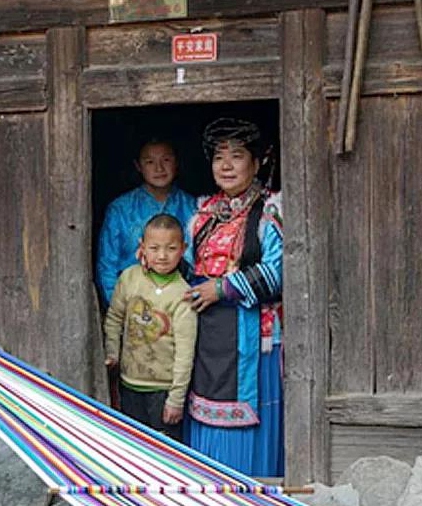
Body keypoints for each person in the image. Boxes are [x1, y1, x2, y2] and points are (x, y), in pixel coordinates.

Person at [183, 118, 284, 476]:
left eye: (237, 156)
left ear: (256, 164)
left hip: (251, 338)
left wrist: (221, 288)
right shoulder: (201, 214)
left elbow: (279, 271)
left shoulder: (271, 211)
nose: (226, 166)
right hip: (208, 336)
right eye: (219, 158)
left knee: (247, 427)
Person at [104, 214, 198, 441]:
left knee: (164, 449)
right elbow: (115, 318)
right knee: (130, 443)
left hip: (163, 390)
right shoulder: (129, 278)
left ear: (184, 248)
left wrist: (176, 399)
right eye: (154, 248)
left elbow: (185, 353)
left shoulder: (183, 294)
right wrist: (112, 353)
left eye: (171, 248)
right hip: (129, 384)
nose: (162, 256)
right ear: (142, 247)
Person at [97, 140, 196, 305]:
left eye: (166, 160)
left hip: (183, 303)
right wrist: (120, 309)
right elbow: (107, 266)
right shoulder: (120, 209)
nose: (159, 168)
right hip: (133, 303)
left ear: (176, 162)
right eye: (150, 162)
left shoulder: (194, 207)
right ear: (138, 166)